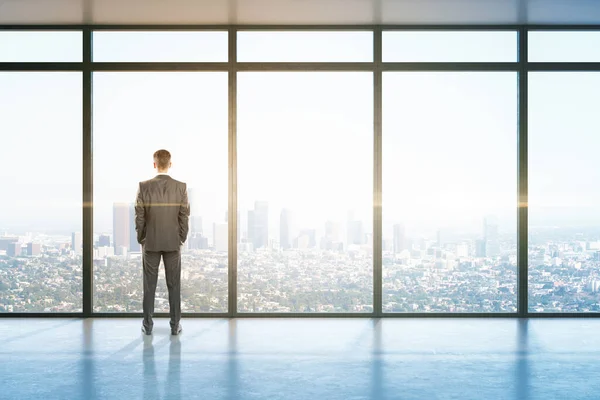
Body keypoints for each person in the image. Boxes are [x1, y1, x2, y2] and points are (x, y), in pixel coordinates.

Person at [135, 149, 190, 335]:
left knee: (149, 285)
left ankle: (148, 326)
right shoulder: (181, 187)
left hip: (150, 242)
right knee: (174, 285)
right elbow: (184, 216)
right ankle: (175, 326)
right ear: (170, 164)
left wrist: (142, 238)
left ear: (154, 164)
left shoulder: (143, 186)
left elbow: (139, 216)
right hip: (173, 242)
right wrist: (181, 237)